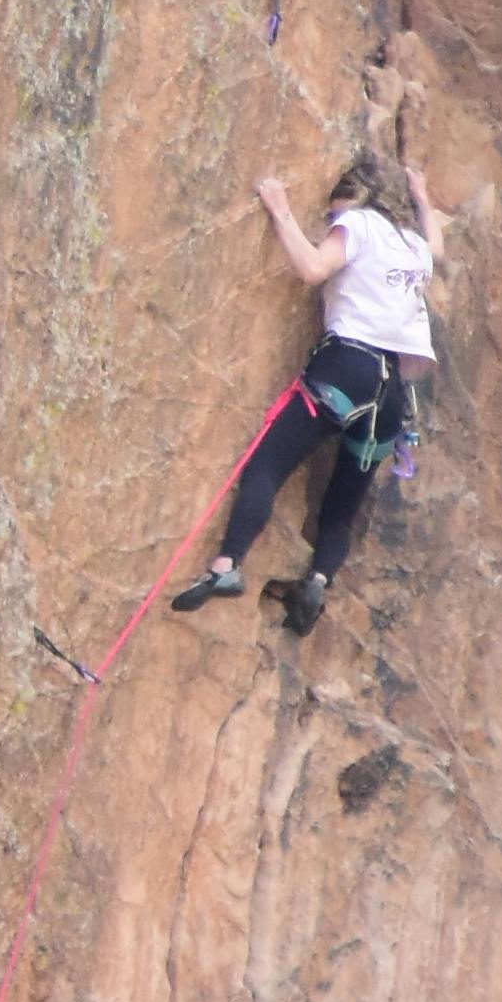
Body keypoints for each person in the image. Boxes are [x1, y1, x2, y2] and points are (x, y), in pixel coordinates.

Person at [169, 96, 442, 637]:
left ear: (359, 200)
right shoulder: (414, 246)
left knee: (268, 462)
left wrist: (280, 211)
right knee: (342, 502)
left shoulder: (358, 224)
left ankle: (226, 566)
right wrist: (424, 197)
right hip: (391, 399)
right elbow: (438, 239)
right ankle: (317, 580)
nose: (331, 219)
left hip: (348, 367)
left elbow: (314, 268)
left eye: (334, 209)